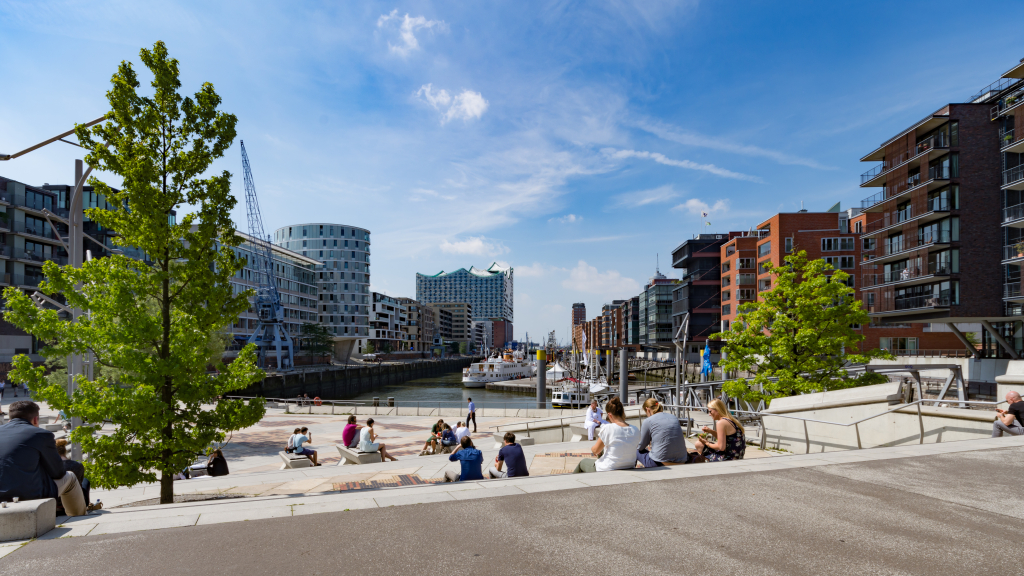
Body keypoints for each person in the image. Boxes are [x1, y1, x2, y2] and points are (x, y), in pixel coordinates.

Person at [0, 401, 87, 516]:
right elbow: (58, 472)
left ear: (9, 419)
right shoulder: (41, 434)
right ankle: (77, 518)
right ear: (35, 419)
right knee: (70, 477)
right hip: (30, 495)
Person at [573, 396, 640, 473]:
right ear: (623, 412)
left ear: (610, 415)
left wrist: (593, 449)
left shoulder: (608, 428)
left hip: (608, 467)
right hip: (630, 465)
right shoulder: (635, 429)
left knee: (583, 462)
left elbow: (595, 450)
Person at [635, 398, 689, 468]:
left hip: (659, 463)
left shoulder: (648, 421)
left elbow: (641, 446)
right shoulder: (674, 417)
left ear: (647, 410)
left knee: (636, 451)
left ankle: (632, 470)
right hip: (682, 460)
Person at [55, 438, 100, 512]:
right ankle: (84, 503)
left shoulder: (50, 467)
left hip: (56, 504)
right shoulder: (77, 465)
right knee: (85, 481)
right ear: (65, 451)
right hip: (75, 504)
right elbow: (80, 482)